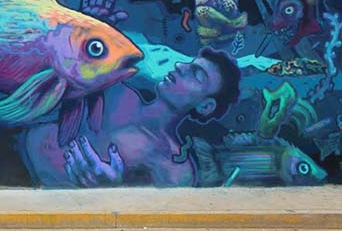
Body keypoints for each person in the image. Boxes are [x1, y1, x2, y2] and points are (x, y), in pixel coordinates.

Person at [24, 47, 241, 187]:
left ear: (205, 106)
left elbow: (145, 222)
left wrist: (110, 189)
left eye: (196, 75)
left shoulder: (173, 166)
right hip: (13, 157)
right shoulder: (119, 93)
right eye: (188, 63)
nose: (180, 67)